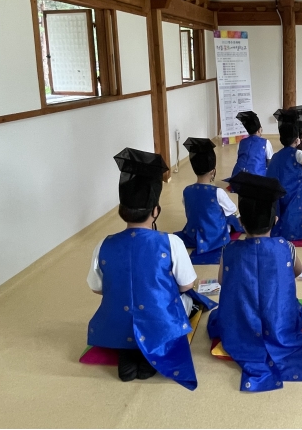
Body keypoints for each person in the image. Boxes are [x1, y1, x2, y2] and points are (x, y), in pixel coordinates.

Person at [86, 148, 212, 388]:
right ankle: (148, 355)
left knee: (124, 309)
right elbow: (186, 285)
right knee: (187, 300)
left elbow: (97, 288)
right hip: (159, 321)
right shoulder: (170, 243)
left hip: (116, 321)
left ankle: (127, 351)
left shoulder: (104, 244)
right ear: (155, 212)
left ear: (122, 211)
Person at [207, 172, 302, 392]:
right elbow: (297, 271)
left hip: (241, 320)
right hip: (279, 318)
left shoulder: (229, 250)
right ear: (275, 221)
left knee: (216, 315)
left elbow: (222, 281)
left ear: (241, 222)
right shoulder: (286, 247)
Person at [175, 137, 242, 265]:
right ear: (213, 171)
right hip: (215, 237)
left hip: (193, 235)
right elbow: (232, 209)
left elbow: (188, 206)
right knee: (232, 218)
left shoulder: (186, 191)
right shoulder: (218, 192)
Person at [266, 110, 302, 241]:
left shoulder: (276, 155)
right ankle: (294, 231)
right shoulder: (297, 153)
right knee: (292, 210)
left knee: (282, 209)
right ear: (297, 140)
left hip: (279, 189)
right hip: (293, 189)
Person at [228, 111, 273, 181]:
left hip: (237, 177)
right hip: (257, 178)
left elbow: (240, 158)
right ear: (259, 130)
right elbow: (270, 162)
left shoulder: (241, 142)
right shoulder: (266, 142)